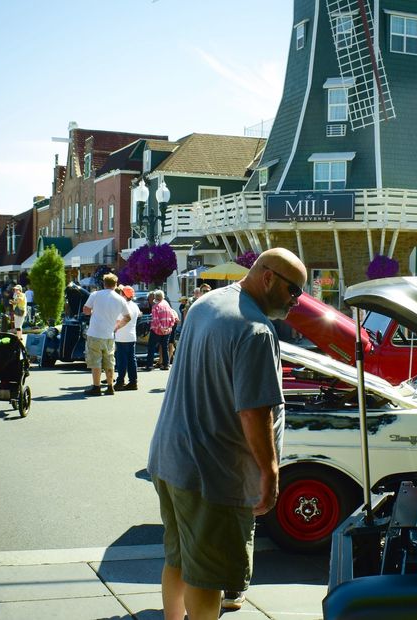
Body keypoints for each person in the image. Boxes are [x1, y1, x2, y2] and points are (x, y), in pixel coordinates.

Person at [146, 248, 306, 620]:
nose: (296, 301)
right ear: (268, 278)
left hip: (170, 458)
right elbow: (254, 412)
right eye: (293, 291)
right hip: (212, 474)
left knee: (178, 558)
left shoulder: (206, 303)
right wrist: (270, 472)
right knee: (209, 576)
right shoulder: (255, 330)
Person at [82, 273, 130, 396]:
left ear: (104, 283)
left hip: (95, 332)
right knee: (109, 361)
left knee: (95, 361)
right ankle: (110, 386)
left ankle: (96, 387)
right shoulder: (120, 299)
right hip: (109, 334)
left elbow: (86, 311)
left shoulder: (95, 295)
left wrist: (94, 311)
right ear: (115, 284)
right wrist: (117, 327)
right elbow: (127, 317)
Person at [113, 286, 141, 391]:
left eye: (121, 293)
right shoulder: (134, 305)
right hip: (131, 336)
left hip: (122, 337)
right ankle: (133, 382)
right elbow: (139, 315)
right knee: (131, 360)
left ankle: (120, 382)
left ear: (124, 295)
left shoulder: (122, 306)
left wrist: (115, 328)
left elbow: (118, 321)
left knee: (121, 361)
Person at [145, 290, 178, 371]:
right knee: (164, 347)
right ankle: (166, 364)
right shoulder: (167, 305)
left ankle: (149, 365)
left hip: (157, 330)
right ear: (163, 297)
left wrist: (161, 328)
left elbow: (155, 320)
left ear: (155, 297)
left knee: (151, 347)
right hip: (167, 331)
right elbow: (173, 318)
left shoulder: (155, 306)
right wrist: (169, 327)